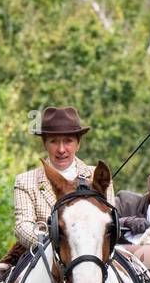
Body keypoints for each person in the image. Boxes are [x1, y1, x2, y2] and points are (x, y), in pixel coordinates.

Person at [12, 105, 95, 251]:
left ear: (78, 144)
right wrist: (54, 242)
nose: (61, 149)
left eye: (68, 141)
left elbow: (107, 222)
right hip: (42, 254)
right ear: (45, 144)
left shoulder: (96, 176)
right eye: (54, 141)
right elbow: (23, 226)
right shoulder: (25, 181)